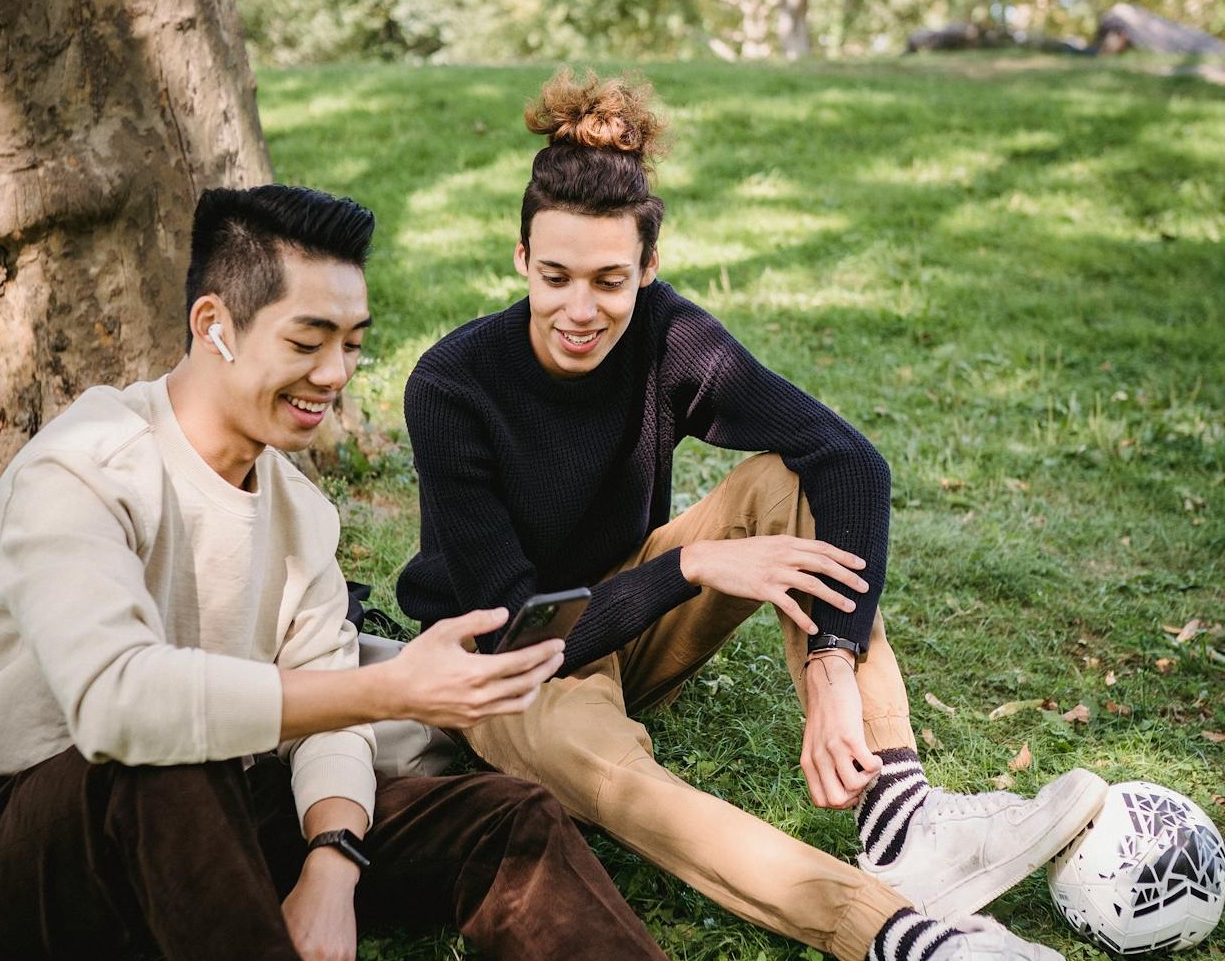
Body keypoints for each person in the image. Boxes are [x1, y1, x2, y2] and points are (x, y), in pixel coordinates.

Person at [396, 70, 1108, 961]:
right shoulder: (451, 386)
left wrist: (831, 662)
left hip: (628, 614)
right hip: (502, 668)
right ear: (519, 260)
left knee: (787, 478)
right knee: (624, 780)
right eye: (556, 276)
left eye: (611, 280)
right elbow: (523, 640)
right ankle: (897, 934)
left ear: (648, 270)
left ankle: (901, 821)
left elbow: (846, 461)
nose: (581, 310)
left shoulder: (666, 334)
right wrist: (689, 569)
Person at [0, 184, 671, 961]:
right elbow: (117, 705)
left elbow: (328, 708)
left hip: (223, 796)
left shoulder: (297, 507)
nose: (334, 373)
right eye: (307, 341)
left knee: (505, 816)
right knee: (171, 757)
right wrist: (386, 687)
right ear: (213, 325)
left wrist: (332, 862)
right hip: (26, 835)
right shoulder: (84, 465)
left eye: (352, 342)